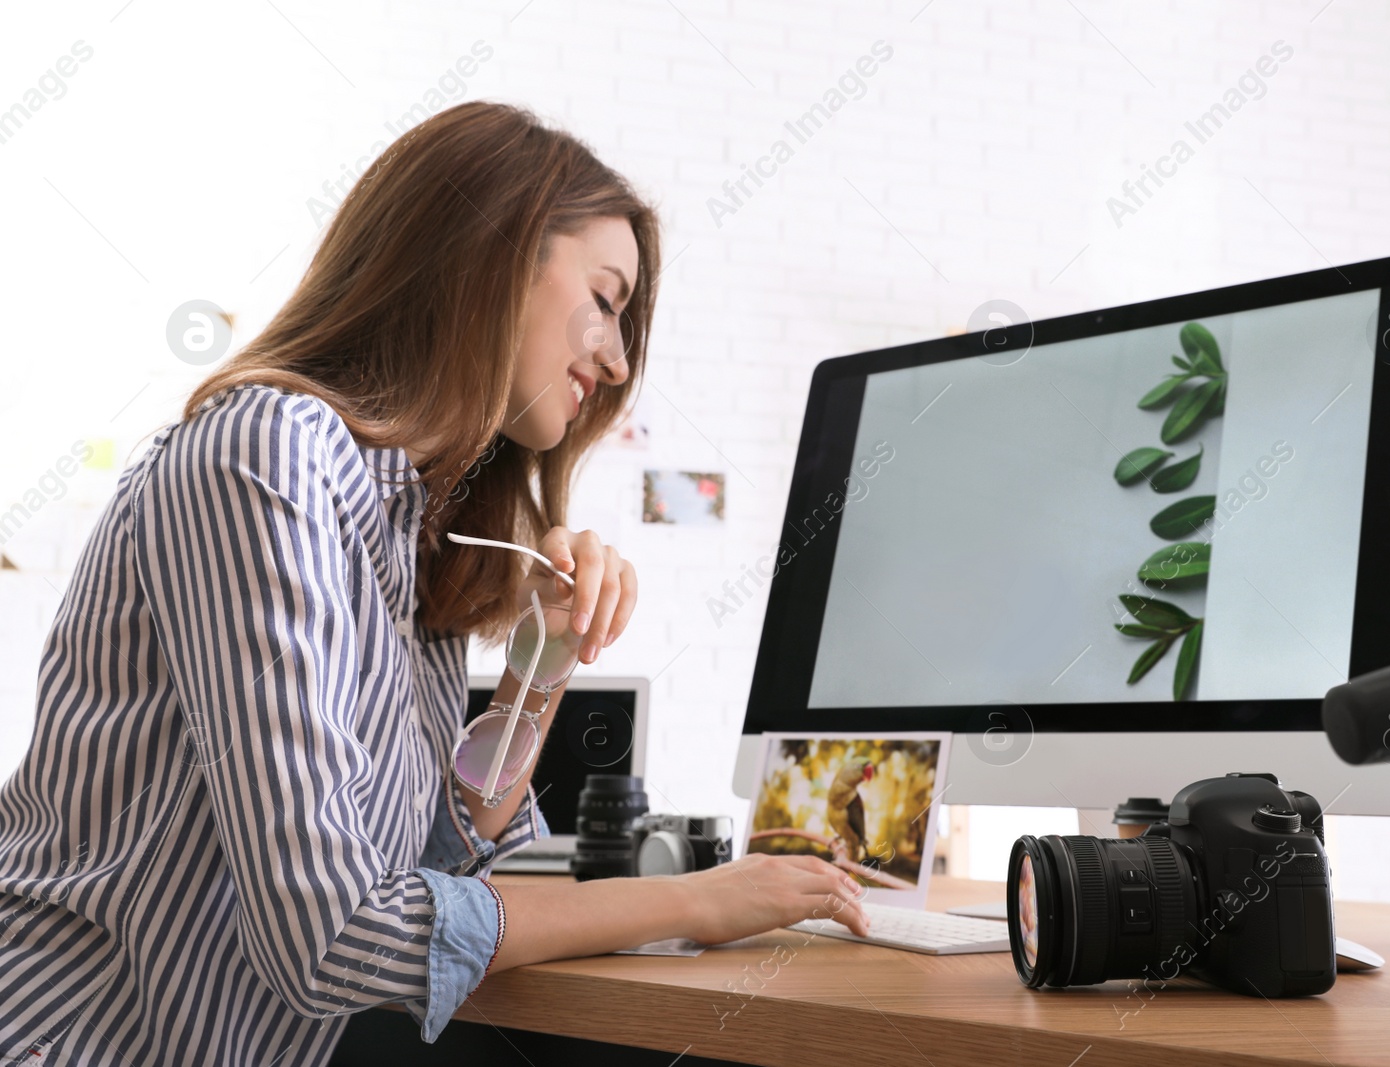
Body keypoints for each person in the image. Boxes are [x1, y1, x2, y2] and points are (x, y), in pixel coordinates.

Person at [0, 101, 868, 1067]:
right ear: (495, 254)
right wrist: (698, 901)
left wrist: (540, 669)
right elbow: (335, 937)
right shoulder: (267, 458)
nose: (619, 359)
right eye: (607, 298)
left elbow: (436, 855)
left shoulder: (410, 515)